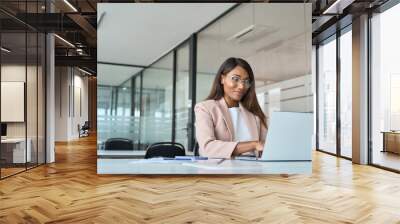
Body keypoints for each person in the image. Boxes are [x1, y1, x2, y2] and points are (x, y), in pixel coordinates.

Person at [195, 57, 267, 159]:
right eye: (235, 79)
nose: (242, 86)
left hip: (254, 170)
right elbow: (207, 148)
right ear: (222, 79)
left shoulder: (255, 113)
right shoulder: (205, 108)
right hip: (220, 171)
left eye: (246, 81)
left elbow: (266, 147)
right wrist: (253, 145)